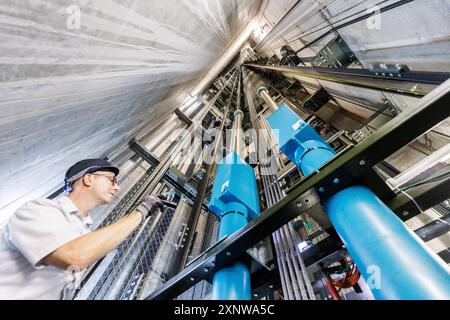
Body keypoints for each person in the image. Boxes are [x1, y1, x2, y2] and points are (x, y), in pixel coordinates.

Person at [0, 158, 163, 299]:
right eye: (112, 180)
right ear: (88, 178)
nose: (117, 187)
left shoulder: (84, 233)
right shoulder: (38, 209)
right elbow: (74, 257)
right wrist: (141, 211)